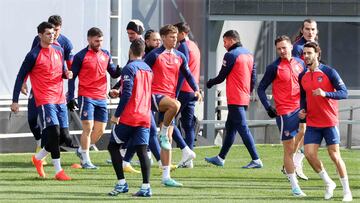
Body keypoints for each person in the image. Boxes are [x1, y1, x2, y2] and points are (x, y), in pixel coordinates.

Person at [11, 21, 73, 180]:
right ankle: (58, 171)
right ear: (40, 35)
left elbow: (62, 71)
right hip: (45, 98)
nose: (52, 36)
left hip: (60, 97)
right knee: (54, 131)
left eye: (53, 33)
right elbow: (20, 77)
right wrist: (15, 100)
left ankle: (38, 158)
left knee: (65, 137)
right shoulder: (33, 55)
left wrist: (67, 74)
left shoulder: (59, 50)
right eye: (48, 34)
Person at [144, 24, 201, 187]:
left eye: (176, 37)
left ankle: (166, 177)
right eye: (171, 37)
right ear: (163, 38)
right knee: (176, 105)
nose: (175, 39)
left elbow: (188, 75)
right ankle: (161, 132)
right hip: (154, 96)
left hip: (168, 100)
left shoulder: (180, 56)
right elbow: (140, 70)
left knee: (167, 140)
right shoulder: (154, 55)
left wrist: (196, 89)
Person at [299, 42, 352, 201]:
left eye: (309, 53)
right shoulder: (302, 75)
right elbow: (303, 96)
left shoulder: (330, 72)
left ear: (317, 54)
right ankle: (329, 183)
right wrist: (303, 110)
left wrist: (325, 93)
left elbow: (344, 93)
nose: (306, 56)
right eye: (304, 53)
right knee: (308, 154)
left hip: (329, 122)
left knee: (335, 156)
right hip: (313, 123)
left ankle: (346, 191)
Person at [205, 30, 263, 170]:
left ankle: (256, 159)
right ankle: (220, 158)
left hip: (235, 98)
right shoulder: (249, 54)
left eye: (225, 42)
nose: (224, 45)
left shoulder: (231, 55)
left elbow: (221, 77)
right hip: (243, 97)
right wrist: (247, 93)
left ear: (231, 40)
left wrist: (210, 83)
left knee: (243, 128)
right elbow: (253, 78)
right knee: (230, 128)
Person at [257, 35, 306, 197]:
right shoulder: (274, 67)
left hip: (300, 109)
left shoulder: (301, 63)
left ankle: (291, 162)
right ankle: (294, 186)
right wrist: (268, 107)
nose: (282, 51)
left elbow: (307, 84)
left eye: (284, 47)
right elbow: (261, 88)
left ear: (292, 47)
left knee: (303, 133)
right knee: (288, 149)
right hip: (284, 112)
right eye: (279, 49)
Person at [67, 27, 121, 169]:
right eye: (97, 40)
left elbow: (113, 73)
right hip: (86, 96)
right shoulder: (80, 56)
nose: (99, 43)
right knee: (88, 127)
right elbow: (72, 78)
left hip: (101, 97)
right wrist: (71, 96)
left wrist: (119, 71)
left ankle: (81, 150)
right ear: (89, 39)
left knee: (100, 130)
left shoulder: (106, 54)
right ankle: (86, 160)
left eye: (101, 41)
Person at [22, 15, 76, 155]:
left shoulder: (66, 44)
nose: (53, 34)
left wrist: (71, 95)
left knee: (58, 130)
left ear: (60, 28)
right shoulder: (39, 40)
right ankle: (40, 142)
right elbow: (30, 63)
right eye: (51, 31)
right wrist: (23, 81)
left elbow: (70, 71)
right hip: (39, 87)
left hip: (55, 92)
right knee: (32, 118)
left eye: (56, 31)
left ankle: (44, 153)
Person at [107, 39, 153, 197]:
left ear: (130, 52)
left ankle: (121, 183)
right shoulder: (148, 69)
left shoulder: (129, 68)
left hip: (130, 116)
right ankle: (146, 187)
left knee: (113, 147)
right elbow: (139, 91)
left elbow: (127, 93)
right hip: (145, 116)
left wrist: (117, 114)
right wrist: (118, 92)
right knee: (142, 152)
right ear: (144, 53)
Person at [290, 18, 319, 180]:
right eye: (307, 29)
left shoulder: (312, 45)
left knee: (306, 130)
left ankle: (292, 162)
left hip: (312, 92)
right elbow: (297, 72)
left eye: (313, 29)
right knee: (304, 130)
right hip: (302, 94)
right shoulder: (298, 48)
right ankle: (293, 162)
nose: (310, 32)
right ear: (302, 30)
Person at [172, 22, 201, 168]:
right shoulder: (194, 46)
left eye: (176, 33)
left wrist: (175, 93)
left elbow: (183, 71)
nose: (174, 37)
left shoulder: (183, 46)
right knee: (187, 125)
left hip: (183, 90)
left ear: (182, 33)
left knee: (168, 121)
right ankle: (189, 160)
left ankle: (185, 150)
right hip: (192, 90)